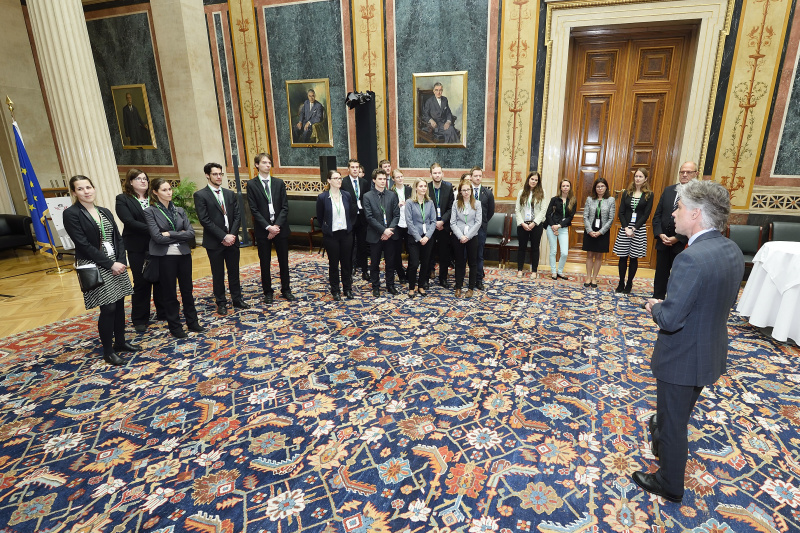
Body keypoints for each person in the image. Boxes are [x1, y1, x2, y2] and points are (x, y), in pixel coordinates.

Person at [632, 179, 743, 504]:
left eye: (678, 208)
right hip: (709, 351)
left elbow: (671, 318)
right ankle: (661, 435)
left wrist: (656, 307)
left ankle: (669, 483)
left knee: (674, 424)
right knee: (673, 416)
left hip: (681, 358)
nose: (674, 214)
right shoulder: (730, 249)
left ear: (695, 214)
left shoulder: (691, 258)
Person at [64, 175, 137, 366]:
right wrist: (110, 264)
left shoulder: (104, 211)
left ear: (94, 189)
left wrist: (120, 261)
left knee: (119, 304)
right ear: (74, 192)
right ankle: (108, 350)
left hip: (116, 263)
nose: (86, 191)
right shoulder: (72, 213)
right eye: (80, 189)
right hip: (95, 264)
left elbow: (118, 238)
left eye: (88, 187)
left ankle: (120, 342)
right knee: (108, 307)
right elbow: (82, 244)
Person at [144, 179, 205, 339]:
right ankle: (175, 326)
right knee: (169, 293)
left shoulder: (179, 210)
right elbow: (157, 237)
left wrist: (171, 234)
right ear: (155, 193)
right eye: (164, 190)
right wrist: (180, 235)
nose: (169, 192)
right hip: (165, 257)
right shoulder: (150, 211)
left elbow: (190, 234)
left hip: (183, 255)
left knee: (187, 291)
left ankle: (192, 322)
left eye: (169, 189)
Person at [194, 163, 249, 315]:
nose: (219, 177)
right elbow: (204, 220)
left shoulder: (229, 193)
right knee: (218, 274)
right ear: (207, 175)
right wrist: (223, 236)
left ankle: (237, 299)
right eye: (215, 174)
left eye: (220, 174)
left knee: (234, 271)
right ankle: (221, 302)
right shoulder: (201, 195)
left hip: (232, 239)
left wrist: (231, 235)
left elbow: (237, 215)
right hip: (215, 242)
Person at [115, 168, 166, 333]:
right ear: (130, 182)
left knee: (160, 279)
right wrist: (154, 230)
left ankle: (163, 312)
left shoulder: (154, 198)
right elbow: (129, 222)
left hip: (158, 245)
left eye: (145, 178)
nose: (143, 181)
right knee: (142, 282)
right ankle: (139, 319)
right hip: (137, 246)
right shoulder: (123, 199)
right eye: (138, 178)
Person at [247, 153, 295, 304]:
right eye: (264, 162)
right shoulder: (251, 185)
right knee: (265, 262)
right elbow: (254, 210)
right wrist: (268, 227)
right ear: (257, 165)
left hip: (280, 228)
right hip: (263, 230)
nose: (268, 165)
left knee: (283, 261)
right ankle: (268, 292)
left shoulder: (279, 183)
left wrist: (276, 226)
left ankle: (286, 289)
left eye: (269, 162)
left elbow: (285, 207)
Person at [652, 161, 696, 299]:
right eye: (682, 172)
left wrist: (677, 238)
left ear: (695, 174)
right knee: (661, 272)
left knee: (679, 275)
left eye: (688, 172)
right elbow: (657, 215)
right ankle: (657, 298)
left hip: (682, 243)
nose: (684, 175)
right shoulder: (668, 190)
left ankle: (673, 302)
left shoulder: (698, 194)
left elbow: (695, 221)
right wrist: (660, 234)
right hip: (663, 240)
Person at [316, 170, 357, 300]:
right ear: (329, 180)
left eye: (340, 178)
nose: (339, 180)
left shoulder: (346, 195)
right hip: (331, 236)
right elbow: (320, 217)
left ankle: (347, 289)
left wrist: (349, 226)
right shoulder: (322, 197)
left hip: (346, 234)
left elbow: (351, 212)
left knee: (347, 263)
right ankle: (335, 290)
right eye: (335, 178)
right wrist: (326, 229)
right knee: (333, 264)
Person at [612, 168, 654, 294]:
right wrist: (626, 228)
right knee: (623, 257)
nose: (637, 178)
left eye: (641, 176)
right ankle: (621, 283)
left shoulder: (649, 195)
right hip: (625, 229)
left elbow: (646, 215)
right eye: (636, 176)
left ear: (645, 179)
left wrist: (634, 228)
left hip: (638, 229)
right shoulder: (627, 193)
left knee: (634, 257)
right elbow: (621, 212)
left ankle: (629, 283)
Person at [363, 168, 400, 297]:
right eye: (380, 179)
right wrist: (383, 230)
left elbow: (396, 215)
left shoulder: (392, 195)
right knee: (374, 263)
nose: (383, 181)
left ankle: (390, 285)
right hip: (375, 235)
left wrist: (389, 230)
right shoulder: (367, 196)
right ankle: (376, 286)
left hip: (390, 235)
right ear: (374, 180)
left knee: (390, 262)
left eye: (384, 179)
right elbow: (369, 217)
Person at [451, 176, 482, 298]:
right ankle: (458, 287)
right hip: (458, 236)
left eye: (468, 189)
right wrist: (460, 236)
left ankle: (470, 288)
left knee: (472, 263)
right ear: (460, 192)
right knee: (459, 262)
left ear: (471, 190)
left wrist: (467, 236)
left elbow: (478, 222)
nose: (466, 192)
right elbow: (452, 222)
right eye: (463, 190)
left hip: (472, 237)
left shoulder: (477, 204)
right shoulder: (455, 204)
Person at [581, 177, 615, 288]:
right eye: (598, 186)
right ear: (595, 188)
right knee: (589, 254)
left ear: (606, 188)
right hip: (590, 229)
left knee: (599, 256)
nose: (600, 189)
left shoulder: (611, 200)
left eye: (602, 186)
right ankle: (588, 277)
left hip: (603, 231)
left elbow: (611, 219)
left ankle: (594, 278)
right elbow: (585, 216)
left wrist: (600, 232)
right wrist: (589, 230)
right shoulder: (589, 199)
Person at [405, 177, 436, 297]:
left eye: (425, 186)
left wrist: (427, 236)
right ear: (416, 188)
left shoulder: (430, 202)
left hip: (428, 237)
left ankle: (421, 286)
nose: (423, 188)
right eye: (421, 186)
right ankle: (411, 287)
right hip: (414, 237)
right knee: (413, 263)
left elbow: (433, 221)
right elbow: (409, 222)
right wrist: (419, 238)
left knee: (425, 263)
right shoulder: (409, 203)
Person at [341, 158, 370, 281]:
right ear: (348, 169)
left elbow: (367, 199)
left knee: (363, 246)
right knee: (350, 246)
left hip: (362, 218)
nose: (355, 169)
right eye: (352, 167)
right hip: (349, 218)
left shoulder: (364, 182)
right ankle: (350, 268)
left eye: (357, 167)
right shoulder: (343, 182)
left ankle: (364, 270)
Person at [514, 171, 546, 277]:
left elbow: (543, 210)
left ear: (538, 182)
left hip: (536, 225)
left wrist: (534, 223)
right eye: (532, 179)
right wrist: (522, 223)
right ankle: (520, 269)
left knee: (535, 248)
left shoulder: (542, 192)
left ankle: (534, 271)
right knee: (521, 247)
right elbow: (517, 210)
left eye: (536, 180)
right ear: (528, 180)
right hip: (523, 224)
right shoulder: (521, 192)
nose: (534, 181)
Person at [428, 163, 454, 288]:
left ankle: (443, 278)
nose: (437, 175)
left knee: (444, 254)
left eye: (439, 173)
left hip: (444, 226)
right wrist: (434, 223)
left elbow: (451, 208)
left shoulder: (448, 187)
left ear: (442, 174)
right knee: (429, 252)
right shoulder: (426, 187)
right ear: (431, 174)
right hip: (430, 226)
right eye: (435, 173)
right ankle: (428, 274)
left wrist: (442, 221)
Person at [545, 179, 577, 280]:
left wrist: (559, 226)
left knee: (564, 253)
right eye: (563, 186)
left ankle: (560, 271)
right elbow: (548, 214)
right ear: (560, 187)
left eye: (567, 186)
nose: (565, 188)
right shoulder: (554, 199)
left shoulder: (572, 200)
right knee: (553, 251)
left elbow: (570, 217)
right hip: (551, 227)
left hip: (563, 228)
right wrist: (553, 226)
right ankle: (554, 272)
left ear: (570, 187)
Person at [470, 166, 495, 290]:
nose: (478, 178)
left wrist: (481, 223)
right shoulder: (465, 191)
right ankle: (467, 279)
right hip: (467, 229)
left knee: (479, 255)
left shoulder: (488, 193)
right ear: (471, 177)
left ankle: (478, 280)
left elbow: (490, 212)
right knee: (465, 255)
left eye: (480, 176)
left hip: (480, 229)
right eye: (475, 176)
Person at [390, 169, 412, 284]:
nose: (400, 179)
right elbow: (389, 209)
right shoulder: (391, 192)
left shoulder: (409, 190)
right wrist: (397, 206)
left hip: (409, 224)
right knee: (397, 251)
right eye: (397, 177)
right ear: (393, 179)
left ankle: (409, 273)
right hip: (397, 225)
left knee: (411, 250)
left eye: (401, 176)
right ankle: (401, 274)